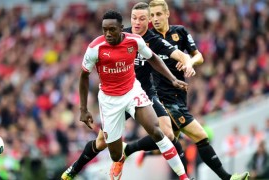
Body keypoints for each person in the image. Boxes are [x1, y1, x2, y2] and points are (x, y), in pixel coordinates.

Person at [61, 3, 195, 180]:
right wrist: (83, 109)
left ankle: (184, 177)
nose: (108, 34)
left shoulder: (134, 41)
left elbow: (153, 58)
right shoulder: (95, 48)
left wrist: (173, 79)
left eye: (112, 30)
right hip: (110, 100)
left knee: (158, 132)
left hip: (134, 92)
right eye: (104, 30)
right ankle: (77, 168)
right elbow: (84, 77)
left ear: (121, 29)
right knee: (112, 152)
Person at [124, 1, 249, 180]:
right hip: (161, 95)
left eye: (159, 14)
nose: (155, 19)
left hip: (179, 93)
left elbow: (198, 55)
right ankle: (227, 177)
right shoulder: (147, 38)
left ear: (167, 14)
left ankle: (129, 149)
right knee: (200, 135)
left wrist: (189, 62)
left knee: (169, 142)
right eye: (152, 16)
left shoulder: (179, 32)